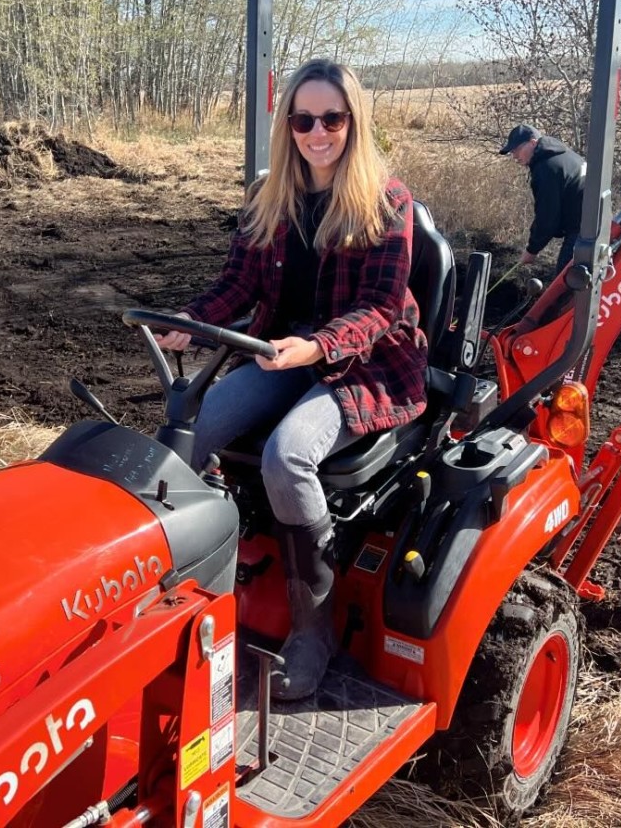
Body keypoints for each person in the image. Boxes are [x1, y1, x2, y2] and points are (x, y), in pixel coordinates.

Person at [157, 59, 427, 701]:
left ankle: (313, 628)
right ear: (289, 126)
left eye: (331, 118)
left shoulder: (387, 202)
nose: (317, 132)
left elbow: (382, 307)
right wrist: (191, 321)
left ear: (352, 121)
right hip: (278, 349)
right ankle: (188, 586)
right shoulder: (268, 195)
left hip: (367, 362)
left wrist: (315, 346)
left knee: (287, 455)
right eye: (303, 119)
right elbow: (239, 285)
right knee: (183, 441)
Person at [498, 123, 586, 272]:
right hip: (593, 226)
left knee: (564, 287)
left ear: (533, 143)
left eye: (517, 150)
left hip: (582, 232)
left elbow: (547, 217)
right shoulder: (562, 155)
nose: (514, 156)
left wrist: (532, 250)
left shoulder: (547, 168)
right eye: (512, 152)